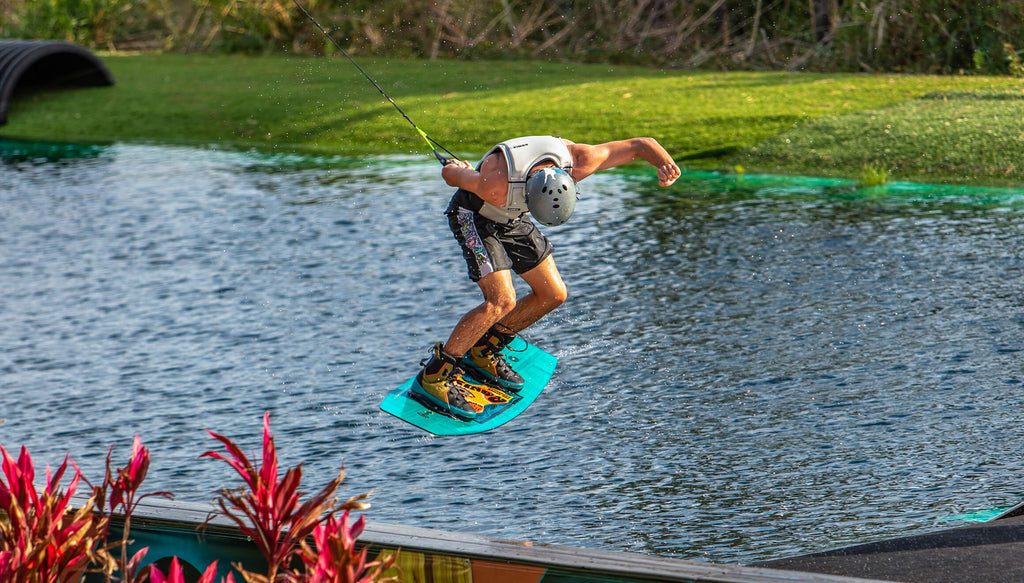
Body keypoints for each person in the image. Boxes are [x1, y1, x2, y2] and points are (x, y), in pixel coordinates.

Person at [414, 135, 681, 418]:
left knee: (553, 294)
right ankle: (435, 376)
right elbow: (449, 175)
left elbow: (640, 145)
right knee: (501, 301)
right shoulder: (494, 185)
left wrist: (665, 163)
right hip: (475, 214)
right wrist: (459, 171)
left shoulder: (579, 161)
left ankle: (484, 349)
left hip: (513, 217)